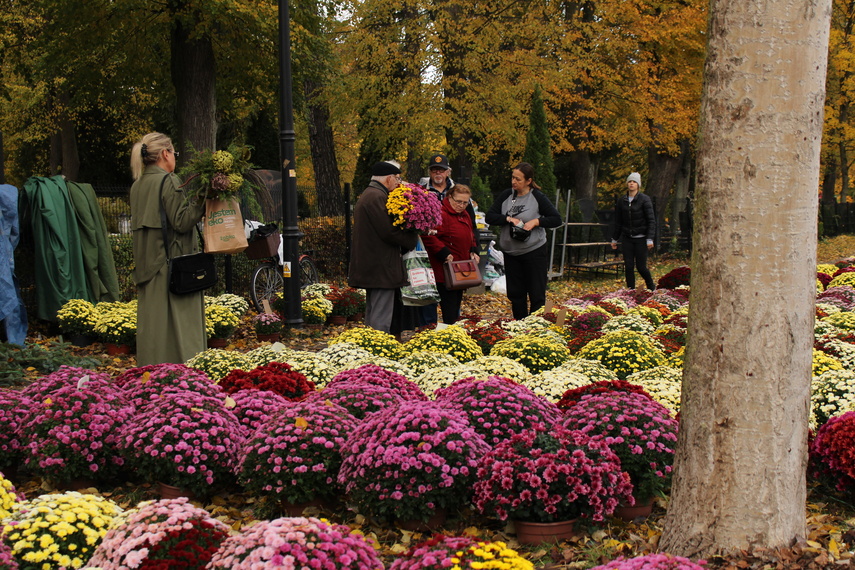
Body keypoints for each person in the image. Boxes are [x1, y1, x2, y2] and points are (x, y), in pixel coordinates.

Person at [130, 132, 207, 365]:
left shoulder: (138, 185)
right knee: (182, 327)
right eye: (174, 152)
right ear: (165, 153)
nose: (175, 157)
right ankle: (185, 378)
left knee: (155, 328)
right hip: (172, 266)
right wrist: (203, 197)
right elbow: (182, 222)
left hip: (148, 266)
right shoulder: (169, 181)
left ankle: (152, 374)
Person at [349, 161, 419, 334]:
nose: (398, 182)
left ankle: (371, 346)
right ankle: (378, 351)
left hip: (374, 264)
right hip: (380, 265)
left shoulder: (370, 194)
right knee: (381, 315)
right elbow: (389, 231)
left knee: (374, 311)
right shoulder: (377, 197)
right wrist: (413, 236)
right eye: (397, 178)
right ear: (388, 178)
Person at [485, 162, 562, 320]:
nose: (514, 182)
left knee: (536, 293)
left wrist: (536, 222)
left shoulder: (537, 197)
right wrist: (508, 219)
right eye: (513, 178)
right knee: (516, 293)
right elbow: (490, 217)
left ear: (528, 181)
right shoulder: (507, 195)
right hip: (511, 253)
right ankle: (520, 324)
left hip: (534, 251)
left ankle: (535, 327)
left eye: (518, 179)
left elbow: (556, 219)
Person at [421, 184, 480, 324]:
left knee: (454, 308)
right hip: (444, 270)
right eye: (458, 201)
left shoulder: (464, 214)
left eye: (465, 202)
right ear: (450, 197)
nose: (461, 205)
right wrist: (443, 252)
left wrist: (473, 250)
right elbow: (427, 235)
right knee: (446, 306)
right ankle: (437, 334)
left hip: (460, 270)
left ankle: (450, 334)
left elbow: (470, 234)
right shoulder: (440, 214)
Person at [611, 172, 656, 290]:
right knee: (629, 266)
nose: (631, 184)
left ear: (638, 185)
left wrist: (649, 238)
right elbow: (619, 221)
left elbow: (651, 220)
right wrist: (614, 239)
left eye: (634, 182)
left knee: (641, 267)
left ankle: (651, 287)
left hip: (641, 238)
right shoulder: (622, 201)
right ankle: (630, 291)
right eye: (630, 181)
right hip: (627, 238)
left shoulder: (644, 199)